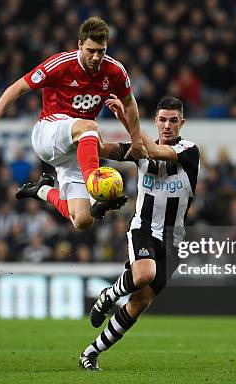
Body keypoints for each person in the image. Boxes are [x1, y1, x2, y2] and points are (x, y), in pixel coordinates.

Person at [0, 17, 147, 229]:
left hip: (77, 146)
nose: (96, 56)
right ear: (80, 44)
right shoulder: (61, 64)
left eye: (101, 51)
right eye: (91, 50)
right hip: (48, 132)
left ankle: (43, 191)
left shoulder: (114, 71)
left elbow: (130, 103)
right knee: (90, 128)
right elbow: (17, 88)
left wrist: (136, 141)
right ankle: (96, 184)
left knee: (82, 221)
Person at [78, 96, 200, 371]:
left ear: (182, 122)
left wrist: (125, 118)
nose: (167, 125)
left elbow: (155, 153)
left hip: (173, 242)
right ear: (155, 121)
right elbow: (105, 150)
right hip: (143, 229)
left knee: (139, 302)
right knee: (145, 273)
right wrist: (84, 139)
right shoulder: (138, 148)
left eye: (173, 120)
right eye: (162, 120)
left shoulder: (190, 151)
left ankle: (90, 352)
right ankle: (109, 295)